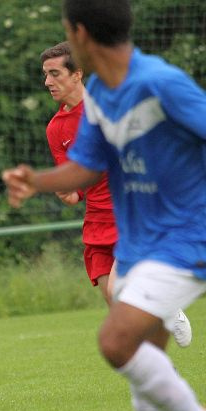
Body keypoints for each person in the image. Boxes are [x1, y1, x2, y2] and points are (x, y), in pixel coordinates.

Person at [3, 0, 206, 411]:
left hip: (185, 236)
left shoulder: (159, 83)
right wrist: (37, 180)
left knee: (116, 341)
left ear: (80, 34)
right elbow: (87, 168)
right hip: (138, 243)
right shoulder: (102, 98)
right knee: (143, 363)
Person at [40, 41, 192, 346]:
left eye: (55, 74)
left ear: (77, 74)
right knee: (120, 313)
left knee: (119, 290)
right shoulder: (56, 129)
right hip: (97, 221)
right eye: (45, 74)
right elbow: (75, 191)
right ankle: (156, 368)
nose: (47, 82)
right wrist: (66, 192)